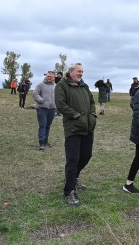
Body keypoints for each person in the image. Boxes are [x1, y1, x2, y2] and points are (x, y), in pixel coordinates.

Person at [55, 63, 96, 207]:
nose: (81, 74)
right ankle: (69, 191)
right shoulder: (62, 85)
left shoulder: (84, 86)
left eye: (82, 71)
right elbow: (60, 105)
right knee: (73, 159)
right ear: (71, 72)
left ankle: (74, 178)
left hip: (88, 127)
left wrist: (92, 115)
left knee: (86, 155)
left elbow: (91, 102)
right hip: (73, 128)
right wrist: (77, 116)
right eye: (79, 71)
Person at [33, 71, 57, 150]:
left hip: (52, 109)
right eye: (48, 76)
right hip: (41, 108)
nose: (48, 77)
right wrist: (41, 100)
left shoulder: (56, 86)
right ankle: (41, 143)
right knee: (43, 125)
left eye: (50, 76)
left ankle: (46, 141)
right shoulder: (40, 85)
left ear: (54, 77)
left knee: (48, 126)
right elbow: (35, 94)